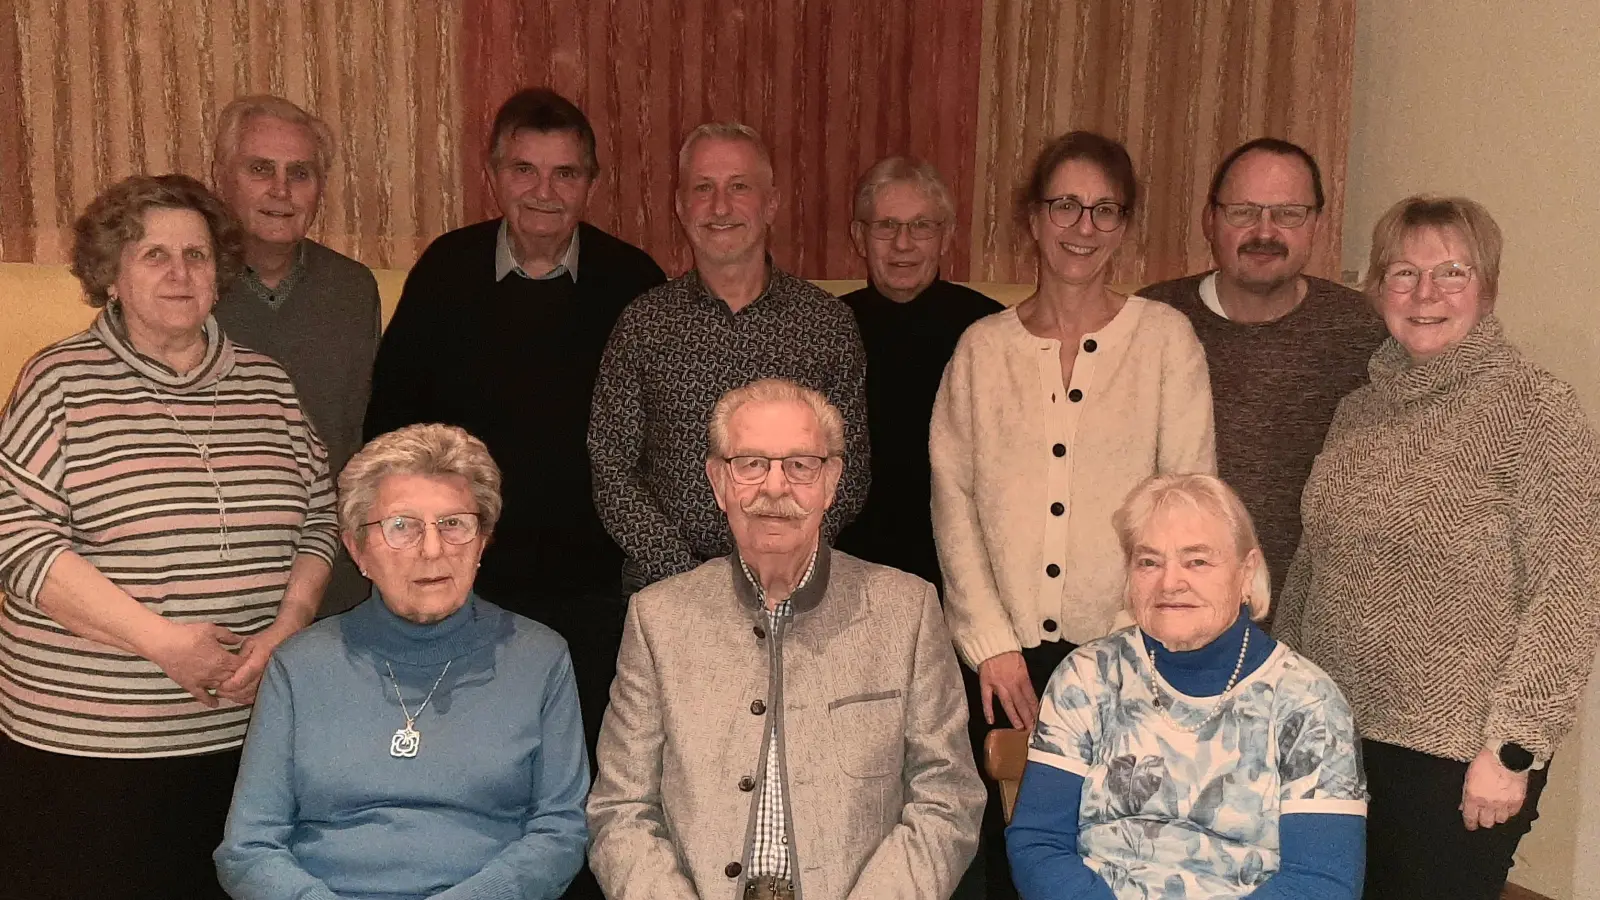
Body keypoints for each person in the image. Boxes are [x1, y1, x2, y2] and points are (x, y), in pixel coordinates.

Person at [0, 174, 339, 898]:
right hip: (90, 749)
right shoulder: (59, 381)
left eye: (197, 255)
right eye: (154, 255)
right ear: (111, 277)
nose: (180, 273)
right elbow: (18, 540)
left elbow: (320, 512)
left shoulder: (267, 384)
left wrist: (288, 627)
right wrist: (163, 644)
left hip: (245, 742)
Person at [1275, 195, 1600, 900]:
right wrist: (1281, 703)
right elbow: (1311, 567)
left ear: (1487, 287)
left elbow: (1569, 594)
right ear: (1377, 290)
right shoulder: (1357, 408)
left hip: (1456, 754)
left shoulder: (1535, 408)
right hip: (1336, 736)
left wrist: (1514, 749)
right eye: (1402, 273)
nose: (1425, 294)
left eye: (1452, 272)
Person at [362, 87, 665, 825]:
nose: (544, 191)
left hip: (598, 591)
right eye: (525, 169)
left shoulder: (633, 283)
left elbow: (663, 441)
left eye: (566, 174)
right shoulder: (446, 270)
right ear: (493, 173)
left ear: (592, 182)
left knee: (590, 782)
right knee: (472, 776)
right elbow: (391, 432)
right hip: (468, 582)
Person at [930, 131, 1214, 897]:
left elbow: (1188, 509)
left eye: (1104, 209)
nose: (1082, 227)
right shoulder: (981, 351)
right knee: (1010, 859)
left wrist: (1139, 648)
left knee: (1123, 859)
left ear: (1124, 225)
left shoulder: (1164, 342)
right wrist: (989, 644)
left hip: (1133, 660)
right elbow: (952, 504)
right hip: (1005, 665)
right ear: (1033, 216)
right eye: (1065, 205)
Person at [587, 378, 984, 900]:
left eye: (800, 465)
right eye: (750, 464)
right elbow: (621, 810)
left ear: (832, 480)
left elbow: (946, 799)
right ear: (718, 481)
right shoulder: (657, 618)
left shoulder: (905, 611)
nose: (774, 488)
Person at [215, 423, 589, 900]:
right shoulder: (300, 666)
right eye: (402, 527)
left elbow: (560, 832)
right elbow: (248, 848)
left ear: (482, 543)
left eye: (454, 524)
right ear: (357, 549)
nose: (432, 549)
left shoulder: (540, 657)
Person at [1008, 474, 1367, 899]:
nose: (1169, 582)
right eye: (1149, 562)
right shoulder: (1088, 676)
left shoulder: (1309, 702)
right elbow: (1038, 841)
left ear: (1246, 572)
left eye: (1197, 561)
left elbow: (1322, 881)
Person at [588, 122, 870, 594]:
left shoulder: (827, 325)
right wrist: (683, 573)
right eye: (703, 188)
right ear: (681, 206)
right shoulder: (643, 323)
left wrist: (779, 557)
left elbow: (850, 467)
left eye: (739, 187)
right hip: (667, 589)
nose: (720, 207)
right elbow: (611, 463)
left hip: (793, 584)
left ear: (771, 204)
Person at [1138, 138, 1385, 599]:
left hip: (1316, 621)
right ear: (1210, 220)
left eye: (1288, 213)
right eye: (1243, 211)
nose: (1265, 232)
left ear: (1316, 225)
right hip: (1172, 612)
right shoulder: (1150, 321)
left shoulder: (1365, 332)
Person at [212, 94, 383, 616]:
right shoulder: (185, 286)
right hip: (216, 562)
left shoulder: (353, 290)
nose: (280, 191)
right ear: (221, 177)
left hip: (332, 562)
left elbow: (361, 431)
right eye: (260, 169)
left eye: (300, 173)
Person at [833, 156, 1001, 590]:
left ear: (945, 237)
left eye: (922, 226)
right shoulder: (827, 327)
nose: (903, 244)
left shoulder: (990, 330)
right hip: (848, 565)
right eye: (886, 226)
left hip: (963, 568)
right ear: (859, 237)